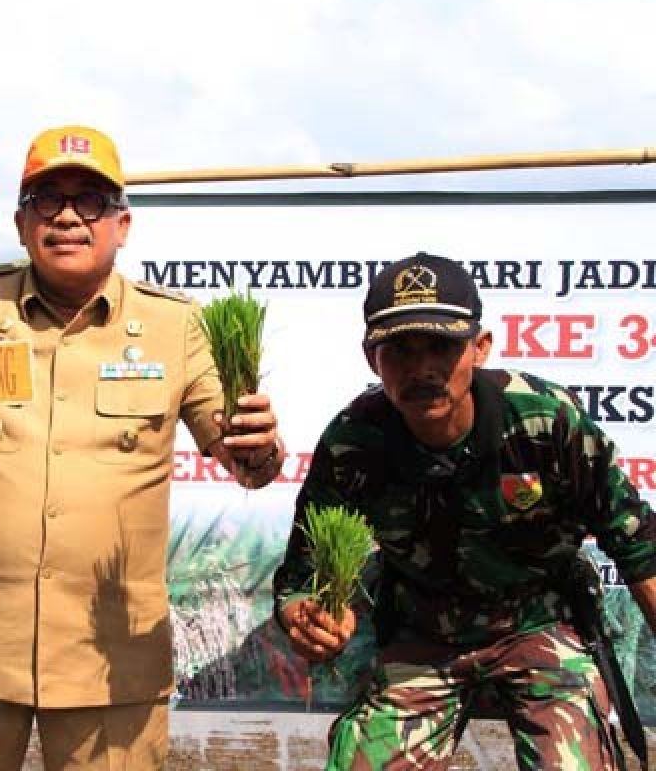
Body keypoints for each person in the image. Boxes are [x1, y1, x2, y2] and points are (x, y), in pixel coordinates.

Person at [0, 125, 285, 770]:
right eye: (48, 200)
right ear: (21, 223)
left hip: (112, 664)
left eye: (90, 201)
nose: (68, 216)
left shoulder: (174, 326)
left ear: (122, 225)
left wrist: (259, 445)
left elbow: (244, 460)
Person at [272, 251, 656, 770]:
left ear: (480, 348)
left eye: (441, 346)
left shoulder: (546, 422)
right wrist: (311, 619)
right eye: (399, 350)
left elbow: (639, 548)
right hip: (424, 637)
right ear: (371, 358)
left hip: (538, 624)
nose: (422, 368)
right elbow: (299, 579)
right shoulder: (354, 443)